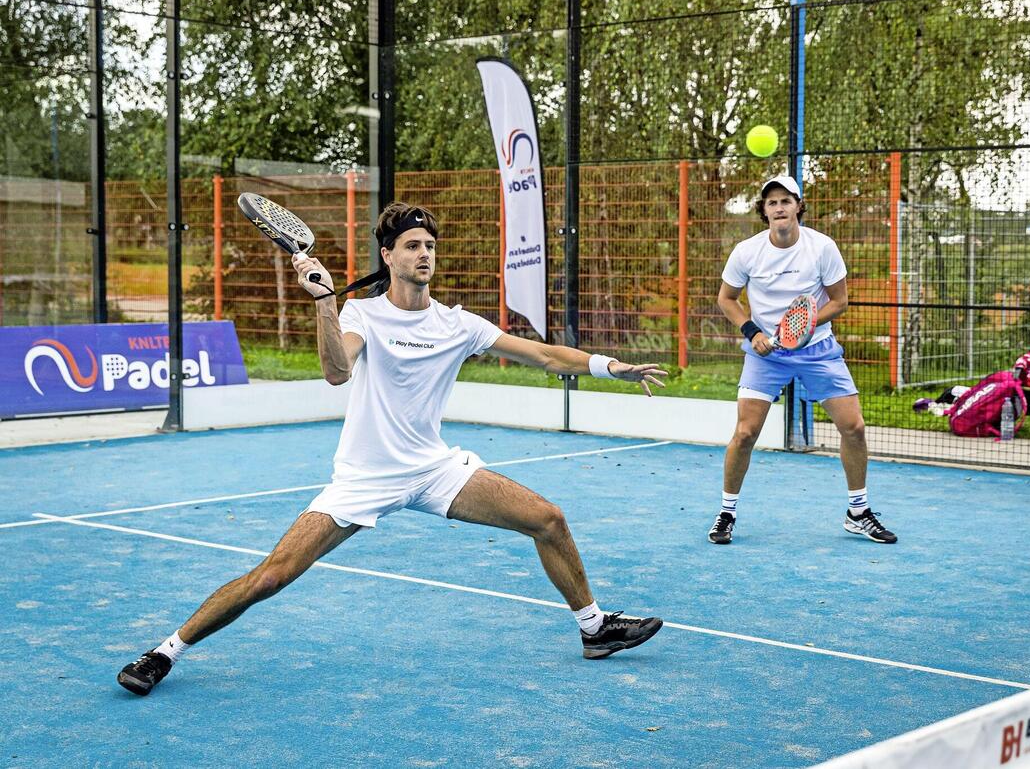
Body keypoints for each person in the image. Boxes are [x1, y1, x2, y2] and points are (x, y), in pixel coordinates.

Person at [118, 202, 668, 696]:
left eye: (430, 245)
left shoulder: (457, 323)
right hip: (365, 477)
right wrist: (323, 303)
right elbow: (337, 371)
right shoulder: (361, 315)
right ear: (388, 255)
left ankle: (595, 629)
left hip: (434, 469)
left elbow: (545, 356)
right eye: (412, 245)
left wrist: (610, 367)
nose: (424, 253)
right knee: (272, 576)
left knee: (548, 519)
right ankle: (166, 651)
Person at [706, 175, 897, 546]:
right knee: (745, 433)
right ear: (764, 211)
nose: (779, 207)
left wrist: (804, 324)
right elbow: (726, 299)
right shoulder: (747, 251)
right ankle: (726, 513)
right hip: (767, 354)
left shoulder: (822, 247)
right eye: (771, 202)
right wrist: (752, 332)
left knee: (853, 427)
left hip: (818, 349)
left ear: (798, 206)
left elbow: (839, 301)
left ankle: (858, 512)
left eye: (785, 201)